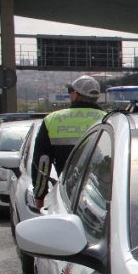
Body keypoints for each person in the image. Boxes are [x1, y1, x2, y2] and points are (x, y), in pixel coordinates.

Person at [32, 75, 105, 209]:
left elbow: (42, 162)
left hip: (65, 196)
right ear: (97, 98)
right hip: (101, 198)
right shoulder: (109, 120)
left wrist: (39, 196)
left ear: (75, 95)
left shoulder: (52, 120)